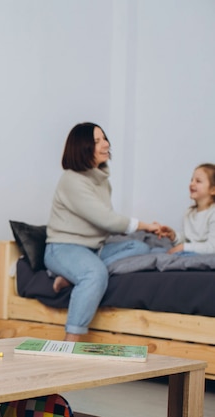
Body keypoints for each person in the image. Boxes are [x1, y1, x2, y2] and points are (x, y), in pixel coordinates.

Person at [43, 122, 162, 342]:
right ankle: (71, 341)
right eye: (97, 141)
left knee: (140, 246)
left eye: (104, 138)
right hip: (63, 248)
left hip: (94, 250)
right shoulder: (71, 180)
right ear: (82, 147)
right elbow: (107, 220)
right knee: (94, 274)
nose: (105, 144)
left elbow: (107, 221)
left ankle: (69, 278)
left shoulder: (101, 181)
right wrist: (145, 225)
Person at [158, 163, 215, 255]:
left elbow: (212, 247)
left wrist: (184, 247)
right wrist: (174, 236)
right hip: (191, 252)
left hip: (205, 255)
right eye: (192, 180)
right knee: (156, 251)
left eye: (198, 181)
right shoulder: (189, 212)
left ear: (213, 190)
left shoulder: (213, 213)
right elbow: (187, 239)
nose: (192, 183)